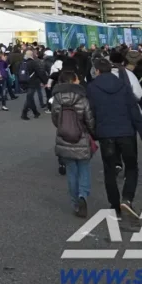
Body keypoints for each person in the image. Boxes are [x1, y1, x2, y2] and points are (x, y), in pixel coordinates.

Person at [86, 57, 142, 220]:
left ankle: (114, 206)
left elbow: (90, 113)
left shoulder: (92, 87)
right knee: (131, 167)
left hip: (105, 134)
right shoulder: (122, 85)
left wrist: (93, 133)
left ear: (97, 71)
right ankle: (127, 198)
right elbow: (133, 110)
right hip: (126, 132)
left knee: (109, 170)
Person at [51, 69, 95, 218]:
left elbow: (55, 119)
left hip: (64, 137)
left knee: (71, 171)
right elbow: (89, 119)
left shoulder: (57, 98)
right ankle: (83, 195)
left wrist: (65, 128)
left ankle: (76, 203)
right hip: (81, 136)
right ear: (73, 80)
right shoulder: (82, 97)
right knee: (84, 167)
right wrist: (91, 132)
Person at [19, 48, 48, 120]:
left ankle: (35, 112)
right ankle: (24, 113)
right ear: (32, 55)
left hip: (24, 82)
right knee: (29, 98)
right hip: (32, 82)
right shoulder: (33, 63)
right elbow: (40, 73)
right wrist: (45, 82)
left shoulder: (23, 63)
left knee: (30, 97)